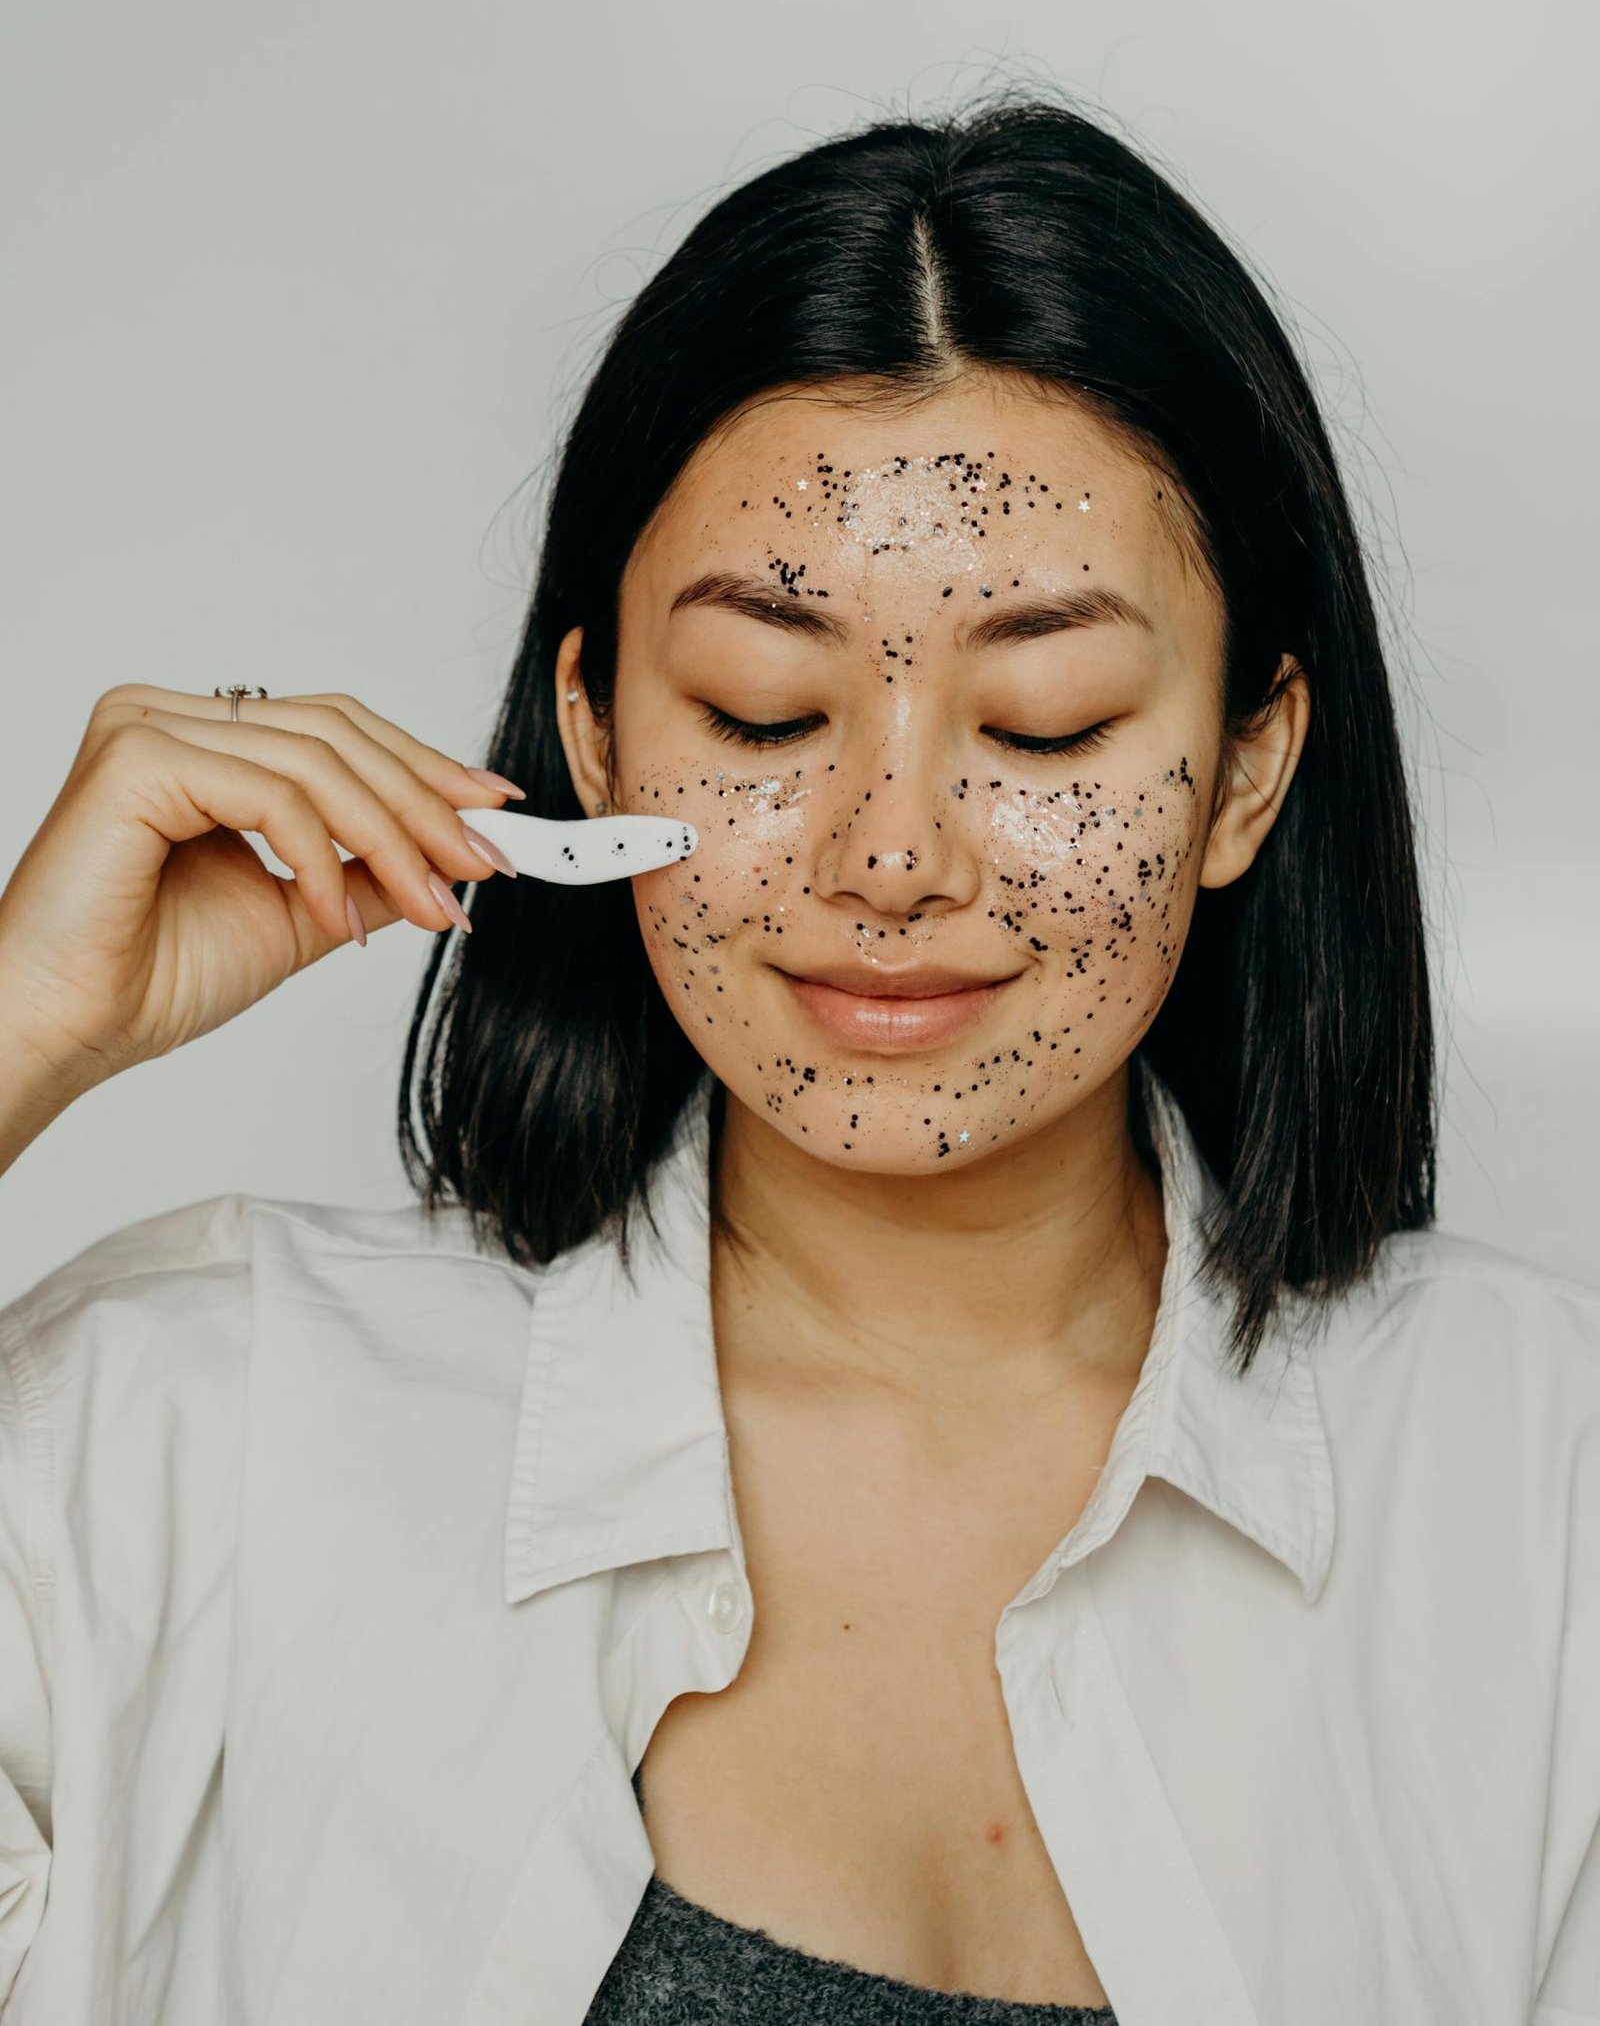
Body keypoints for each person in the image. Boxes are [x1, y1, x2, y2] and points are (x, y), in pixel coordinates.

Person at [0, 97, 1595, 2026]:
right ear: (591, 729)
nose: (890, 855)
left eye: (1048, 720)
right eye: (762, 710)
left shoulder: (1541, 1482)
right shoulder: (197, 1418)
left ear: (1249, 764)